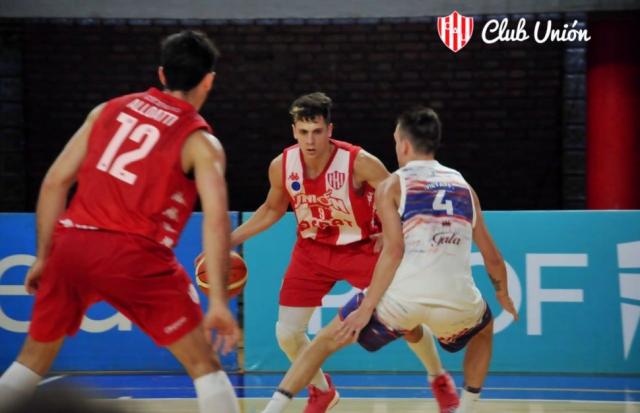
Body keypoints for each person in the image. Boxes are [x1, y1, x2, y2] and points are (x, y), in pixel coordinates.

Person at [0, 31, 241, 413]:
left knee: (30, 361)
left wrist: (45, 256)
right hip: (135, 255)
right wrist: (218, 302)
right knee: (205, 367)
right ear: (208, 80)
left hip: (73, 245)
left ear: (161, 74)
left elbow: (54, 182)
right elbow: (215, 221)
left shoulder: (106, 110)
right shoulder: (200, 142)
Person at [259, 106, 519, 413]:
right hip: (457, 300)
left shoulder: (392, 184)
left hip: (402, 299)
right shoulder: (464, 186)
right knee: (483, 329)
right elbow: (492, 257)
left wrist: (366, 308)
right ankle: (466, 406)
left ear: (404, 145)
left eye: (395, 140)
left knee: (323, 343)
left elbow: (393, 251)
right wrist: (503, 294)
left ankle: (274, 408)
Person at [231, 93, 458, 413]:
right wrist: (229, 240)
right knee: (287, 334)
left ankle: (437, 377)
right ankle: (322, 391)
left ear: (329, 129)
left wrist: (392, 231)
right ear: (294, 131)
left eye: (317, 131)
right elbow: (272, 208)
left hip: (362, 248)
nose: (310, 140)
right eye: (303, 132)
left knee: (407, 323)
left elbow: (403, 195)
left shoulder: (360, 162)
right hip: (311, 252)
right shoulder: (282, 166)